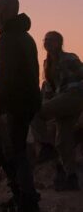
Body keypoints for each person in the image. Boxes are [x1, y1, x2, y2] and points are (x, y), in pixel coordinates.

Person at [0, 0, 41, 212]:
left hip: (15, 102)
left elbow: (5, 75)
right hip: (27, 100)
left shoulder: (8, 38)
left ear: (4, 12)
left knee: (10, 151)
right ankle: (24, 195)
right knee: (10, 150)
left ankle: (26, 199)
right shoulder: (25, 36)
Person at [31, 31, 83, 191]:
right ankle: (71, 178)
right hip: (62, 100)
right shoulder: (47, 63)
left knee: (33, 112)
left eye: (51, 39)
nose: (47, 42)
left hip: (73, 95)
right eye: (45, 39)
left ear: (59, 42)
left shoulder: (70, 58)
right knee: (62, 142)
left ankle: (46, 146)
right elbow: (49, 88)